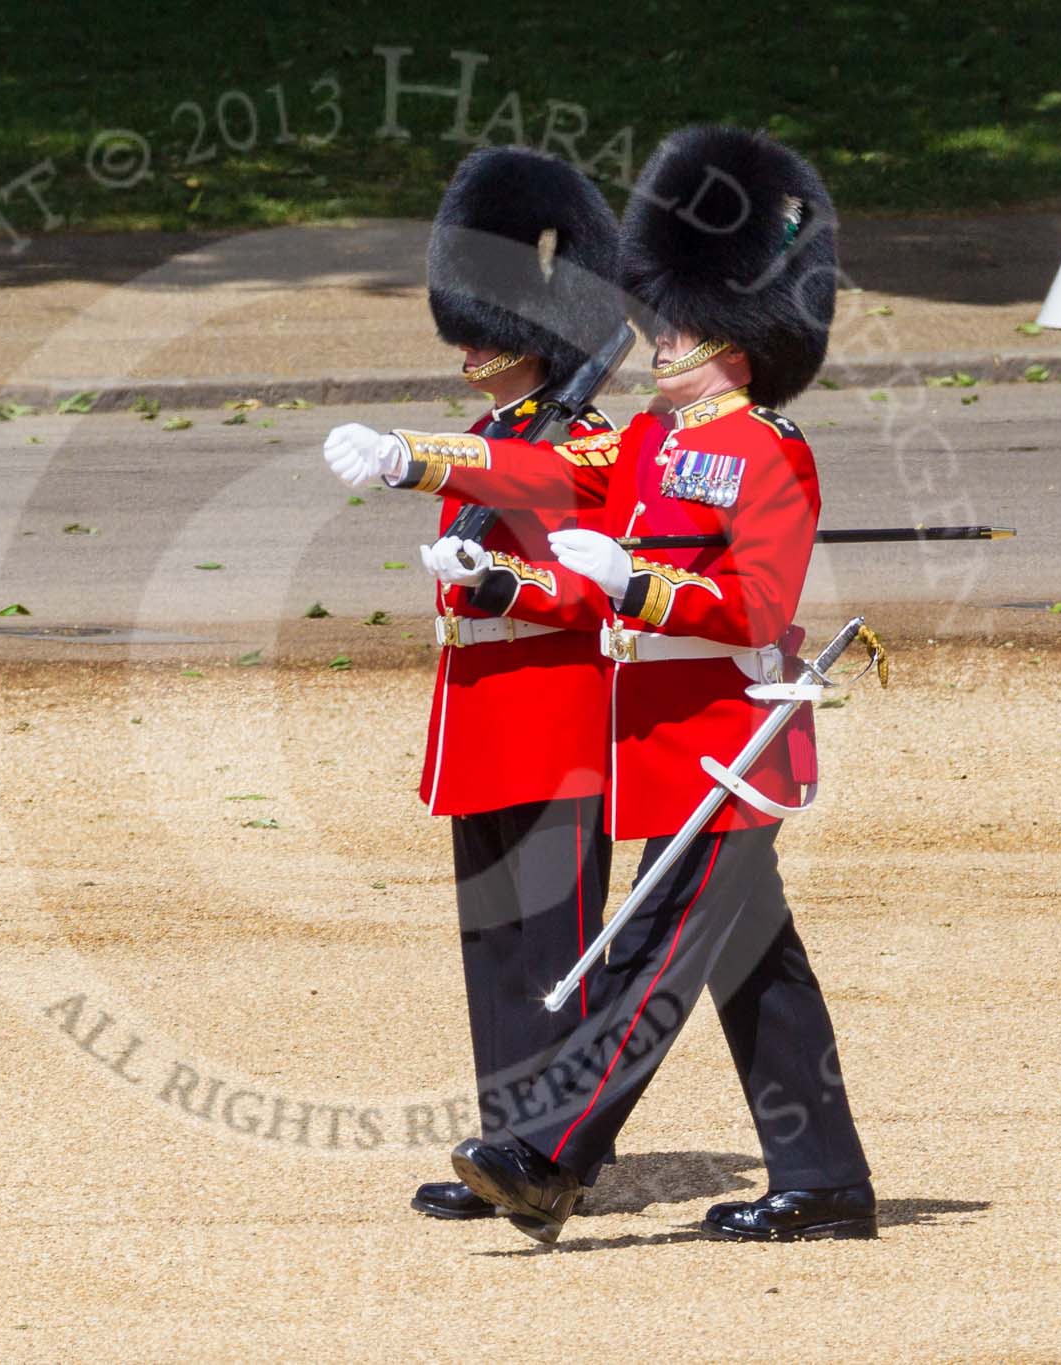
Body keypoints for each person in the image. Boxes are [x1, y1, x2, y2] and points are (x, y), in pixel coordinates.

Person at [324, 126, 874, 1245]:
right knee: (752, 968)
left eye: (679, 322)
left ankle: (549, 1152)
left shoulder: (769, 451)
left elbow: (757, 607)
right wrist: (476, 541)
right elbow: (545, 483)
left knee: (646, 956)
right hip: (659, 746)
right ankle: (824, 1181)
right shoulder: (646, 446)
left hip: (729, 738)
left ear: (739, 335)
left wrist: (643, 584)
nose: (657, 337)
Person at [325, 146, 625, 1222]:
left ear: (538, 337)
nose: (467, 351)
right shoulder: (504, 430)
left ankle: (558, 1153)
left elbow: (545, 502)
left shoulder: (588, 440)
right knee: (495, 950)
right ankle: (505, 1147)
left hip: (558, 725)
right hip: (486, 728)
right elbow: (495, 464)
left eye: (487, 330)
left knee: (557, 955)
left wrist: (414, 461)